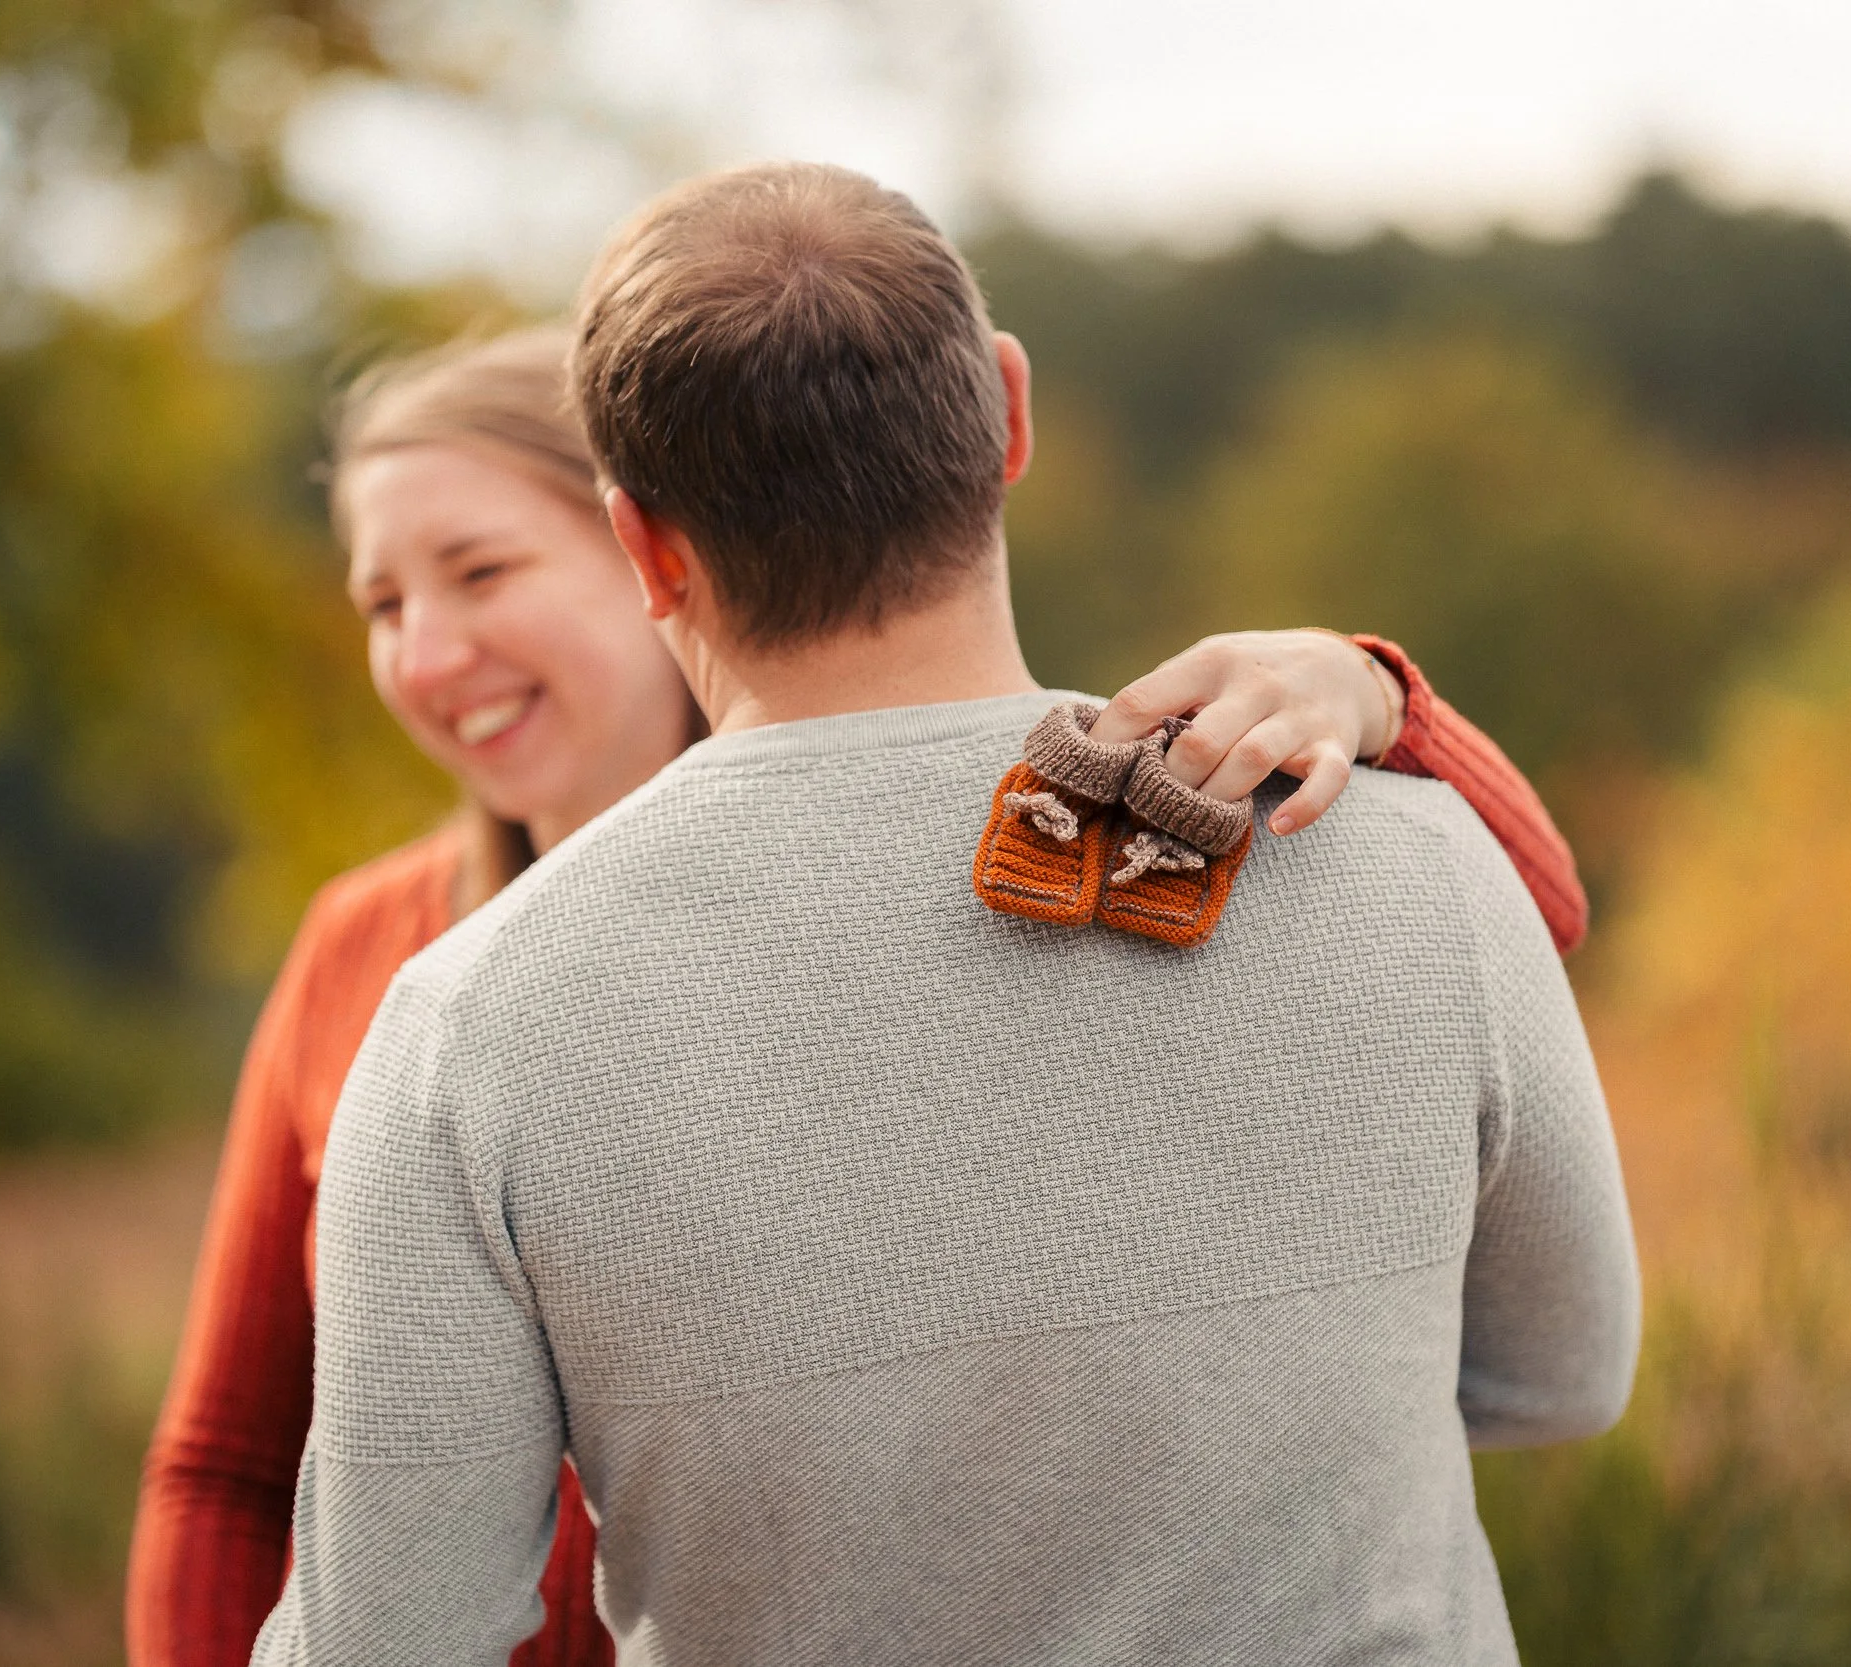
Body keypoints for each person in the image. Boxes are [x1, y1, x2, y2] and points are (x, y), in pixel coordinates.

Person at [130, 308, 1591, 1667]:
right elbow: (232, 1464)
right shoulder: (376, 958)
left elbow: (1517, 922)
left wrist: (1378, 695)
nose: (429, 652)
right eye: (382, 601)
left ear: (652, 549)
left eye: (482, 571)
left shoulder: (974, 856)